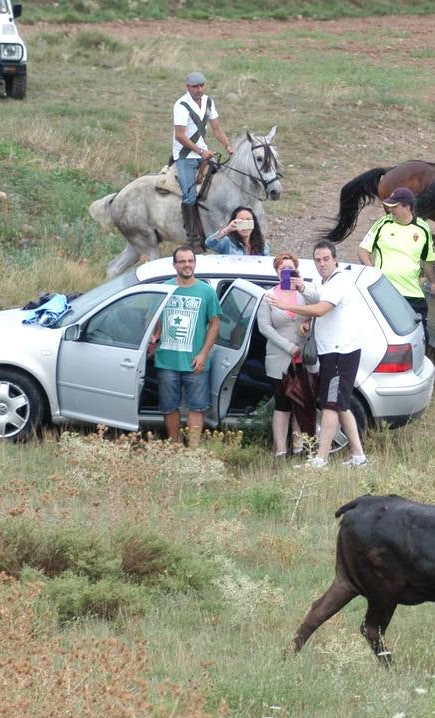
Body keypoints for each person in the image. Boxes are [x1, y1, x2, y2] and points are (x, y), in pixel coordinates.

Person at [268, 240, 371, 469]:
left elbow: (322, 309)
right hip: (330, 352)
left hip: (341, 352)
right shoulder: (322, 282)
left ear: (335, 259)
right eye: (318, 260)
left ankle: (320, 459)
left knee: (330, 405)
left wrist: (288, 307)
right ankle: (358, 456)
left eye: (326, 259)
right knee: (341, 406)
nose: (322, 263)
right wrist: (307, 319)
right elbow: (316, 304)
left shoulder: (340, 280)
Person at [149, 246, 221, 447]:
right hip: (167, 359)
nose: (187, 265)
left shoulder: (206, 292)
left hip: (195, 361)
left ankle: (193, 450)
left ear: (195, 263)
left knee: (196, 407)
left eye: (190, 261)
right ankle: (174, 445)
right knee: (169, 407)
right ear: (175, 265)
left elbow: (215, 323)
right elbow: (154, 318)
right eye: (182, 261)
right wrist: (155, 336)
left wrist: (204, 354)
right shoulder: (165, 288)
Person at [257, 253, 319, 461]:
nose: (286, 272)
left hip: (304, 358)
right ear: (276, 272)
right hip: (279, 359)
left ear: (297, 270)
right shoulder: (269, 296)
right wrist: (289, 347)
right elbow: (264, 327)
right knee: (283, 405)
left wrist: (302, 286)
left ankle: (300, 448)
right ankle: (281, 451)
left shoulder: (305, 292)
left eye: (290, 268)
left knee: (301, 403)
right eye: (282, 269)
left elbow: (320, 306)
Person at [358, 187, 435, 327]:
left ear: (407, 207)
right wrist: (372, 272)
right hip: (386, 292)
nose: (390, 210)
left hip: (413, 294)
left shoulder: (422, 228)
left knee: (420, 335)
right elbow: (363, 250)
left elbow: (428, 260)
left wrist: (433, 283)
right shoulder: (383, 223)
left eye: (394, 206)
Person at [172, 72, 232, 252]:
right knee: (189, 194)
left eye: (201, 86)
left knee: (224, 178)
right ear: (187, 87)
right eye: (195, 87)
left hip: (203, 151)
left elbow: (216, 127)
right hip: (185, 155)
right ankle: (192, 239)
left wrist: (227, 145)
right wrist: (200, 151)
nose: (199, 90)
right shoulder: (181, 105)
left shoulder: (208, 101)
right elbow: (180, 135)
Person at [205, 205, 270, 256]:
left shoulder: (262, 245)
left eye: (248, 221)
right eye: (241, 221)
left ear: (253, 224)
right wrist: (227, 230)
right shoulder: (227, 243)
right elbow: (209, 243)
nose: (245, 225)